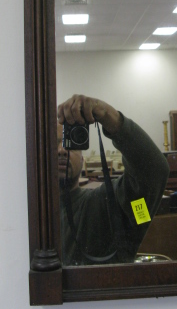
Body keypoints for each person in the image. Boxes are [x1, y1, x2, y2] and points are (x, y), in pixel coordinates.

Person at [57, 94, 170, 266]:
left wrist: (109, 117)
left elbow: (154, 172)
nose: (62, 150)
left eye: (70, 143)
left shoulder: (103, 206)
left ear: (82, 159)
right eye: (54, 143)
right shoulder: (28, 215)